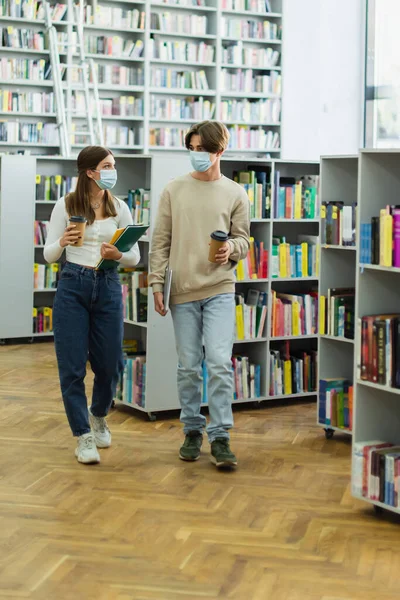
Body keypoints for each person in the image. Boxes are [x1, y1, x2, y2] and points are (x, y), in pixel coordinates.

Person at [149, 121, 250, 468]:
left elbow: (244, 240)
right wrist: (156, 284)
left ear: (219, 151)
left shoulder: (235, 193)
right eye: (191, 149)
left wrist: (231, 250)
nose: (195, 155)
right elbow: (160, 242)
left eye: (201, 149)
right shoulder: (173, 190)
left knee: (220, 362)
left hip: (220, 288)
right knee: (189, 366)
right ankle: (193, 430)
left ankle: (221, 436)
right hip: (183, 290)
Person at [44, 146, 140, 465]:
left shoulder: (119, 207)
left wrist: (118, 256)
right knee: (71, 366)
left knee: (111, 363)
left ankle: (98, 414)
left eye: (113, 165)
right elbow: (48, 255)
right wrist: (63, 242)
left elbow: (135, 257)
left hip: (109, 284)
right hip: (73, 285)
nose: (113, 170)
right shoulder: (66, 204)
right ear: (90, 172)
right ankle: (83, 435)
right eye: (107, 165)